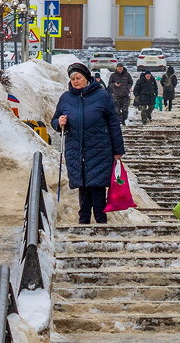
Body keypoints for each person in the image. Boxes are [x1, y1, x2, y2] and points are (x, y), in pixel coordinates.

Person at [52, 62, 125, 225]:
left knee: (97, 186)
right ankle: (83, 221)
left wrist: (118, 150)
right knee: (83, 185)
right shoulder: (65, 98)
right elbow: (54, 120)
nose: (75, 81)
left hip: (99, 149)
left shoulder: (102, 96)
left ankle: (101, 221)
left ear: (86, 79)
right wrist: (59, 122)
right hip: (76, 149)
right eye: (72, 79)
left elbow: (113, 123)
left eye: (78, 78)